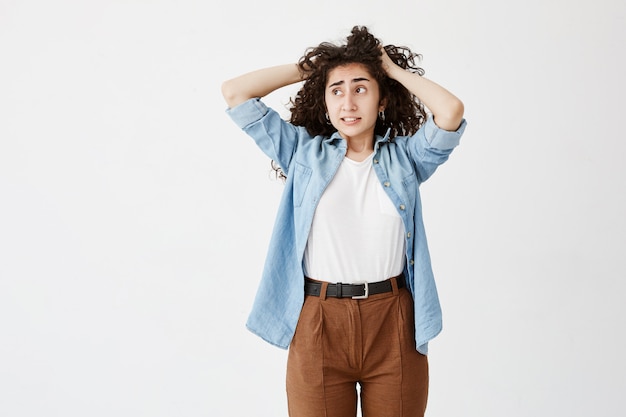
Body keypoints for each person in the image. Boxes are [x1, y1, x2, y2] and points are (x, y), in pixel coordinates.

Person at [221, 25, 467, 417]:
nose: (348, 103)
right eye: (336, 91)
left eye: (361, 88)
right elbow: (236, 93)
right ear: (324, 101)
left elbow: (450, 112)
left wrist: (393, 71)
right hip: (319, 320)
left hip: (394, 320)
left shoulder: (407, 159)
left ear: (381, 99)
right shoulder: (303, 154)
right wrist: (312, 68)